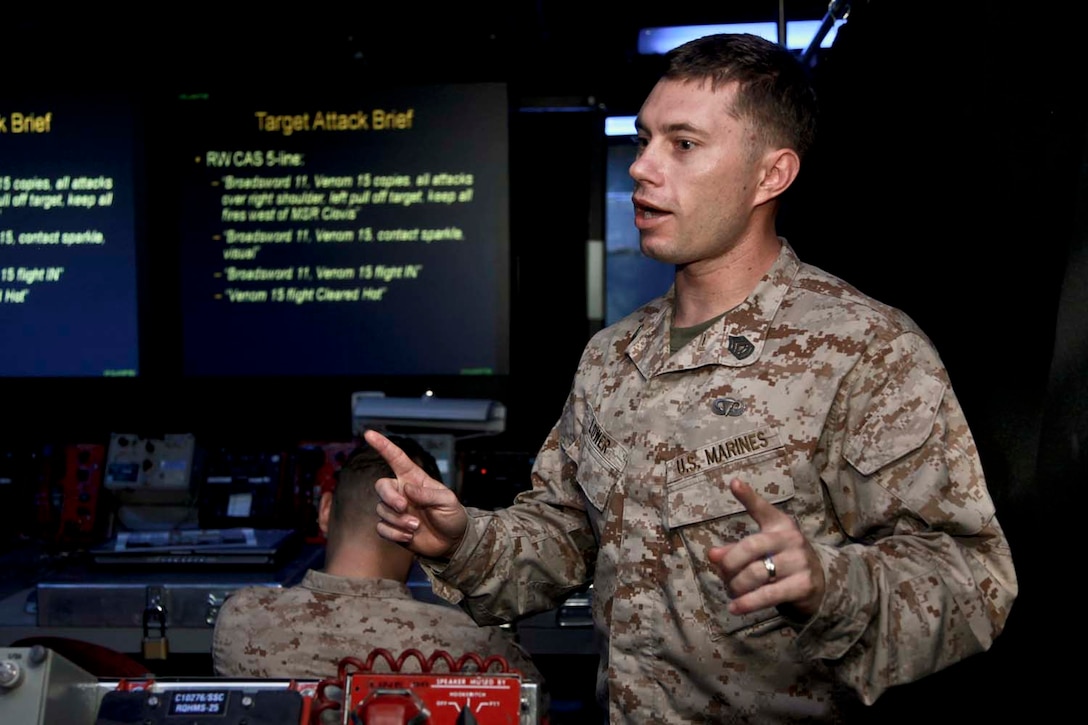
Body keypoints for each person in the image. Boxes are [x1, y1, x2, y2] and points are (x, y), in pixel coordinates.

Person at [364, 32, 1017, 723]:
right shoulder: (612, 356)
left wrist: (830, 583)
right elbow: (563, 537)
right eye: (643, 140)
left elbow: (972, 582)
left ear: (771, 176)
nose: (641, 167)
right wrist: (462, 541)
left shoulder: (866, 350)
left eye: (682, 144)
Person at [211, 435, 545, 691]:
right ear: (427, 527)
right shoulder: (474, 646)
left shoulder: (240, 618)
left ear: (325, 510)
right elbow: (533, 702)